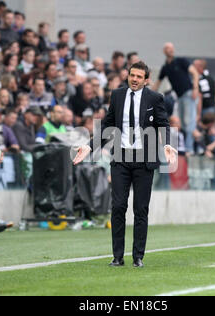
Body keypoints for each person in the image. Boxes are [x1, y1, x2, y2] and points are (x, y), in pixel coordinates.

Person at [73, 61, 177, 268]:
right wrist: (89, 146)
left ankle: (138, 256)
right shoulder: (118, 95)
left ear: (146, 80)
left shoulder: (155, 98)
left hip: (144, 161)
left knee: (141, 209)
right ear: (128, 76)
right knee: (118, 207)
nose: (135, 79)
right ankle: (117, 257)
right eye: (132, 75)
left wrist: (166, 144)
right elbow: (108, 125)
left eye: (139, 76)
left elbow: (163, 124)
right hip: (120, 159)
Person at [152, 42, 200, 154]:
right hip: (180, 97)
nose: (171, 50)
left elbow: (195, 73)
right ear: (164, 51)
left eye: (172, 48)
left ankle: (189, 149)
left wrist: (195, 88)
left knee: (189, 121)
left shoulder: (181, 61)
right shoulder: (166, 67)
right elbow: (158, 83)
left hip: (188, 93)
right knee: (183, 123)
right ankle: (190, 146)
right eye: (168, 48)